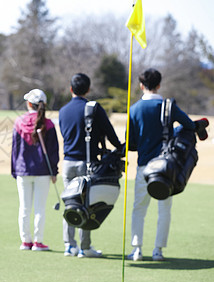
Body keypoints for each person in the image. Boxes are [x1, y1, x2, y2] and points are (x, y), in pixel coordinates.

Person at [127, 68, 195, 261]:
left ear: (141, 85)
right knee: (164, 209)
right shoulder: (168, 106)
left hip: (143, 166)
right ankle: (158, 250)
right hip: (167, 168)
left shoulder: (134, 109)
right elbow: (189, 125)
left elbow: (131, 143)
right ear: (159, 85)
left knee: (139, 208)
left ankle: (137, 249)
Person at [58, 73, 123, 258]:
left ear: (71, 89)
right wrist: (120, 148)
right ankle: (85, 247)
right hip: (89, 164)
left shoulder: (63, 111)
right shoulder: (94, 109)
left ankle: (69, 246)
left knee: (71, 204)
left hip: (68, 163)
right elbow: (110, 134)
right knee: (87, 205)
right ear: (88, 89)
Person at [11, 88, 59, 251]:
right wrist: (54, 171)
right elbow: (54, 152)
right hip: (43, 172)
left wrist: (14, 170)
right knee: (39, 208)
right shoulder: (49, 124)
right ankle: (38, 242)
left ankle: (26, 241)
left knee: (24, 208)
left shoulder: (19, 122)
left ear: (29, 103)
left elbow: (15, 150)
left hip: (23, 171)